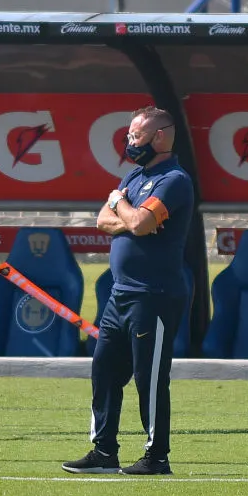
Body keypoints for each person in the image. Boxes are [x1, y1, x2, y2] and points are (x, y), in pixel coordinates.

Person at [62, 106, 193, 476]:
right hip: (120, 294)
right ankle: (104, 452)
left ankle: (156, 457)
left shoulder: (174, 179)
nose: (130, 142)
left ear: (161, 136)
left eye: (136, 136)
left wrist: (120, 202)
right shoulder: (135, 175)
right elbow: (104, 221)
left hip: (154, 294)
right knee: (104, 369)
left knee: (148, 377)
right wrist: (128, 214)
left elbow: (137, 222)